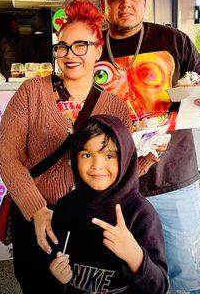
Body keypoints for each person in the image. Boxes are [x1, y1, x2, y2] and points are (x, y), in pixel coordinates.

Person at [0, 0, 133, 294]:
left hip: (91, 219)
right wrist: (37, 209)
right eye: (62, 46)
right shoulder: (32, 92)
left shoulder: (116, 107)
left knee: (83, 288)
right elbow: (7, 157)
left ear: (98, 49)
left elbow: (120, 169)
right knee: (37, 285)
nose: (69, 55)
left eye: (80, 45)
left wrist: (149, 157)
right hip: (36, 216)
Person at [95, 0, 200, 293]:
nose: (126, 4)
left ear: (144, 2)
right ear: (104, 5)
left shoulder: (173, 40)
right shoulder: (91, 49)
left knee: (184, 273)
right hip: (116, 184)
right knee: (126, 274)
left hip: (173, 177)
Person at [49, 115, 169, 293]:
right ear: (75, 158)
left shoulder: (141, 214)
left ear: (126, 158)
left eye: (109, 155)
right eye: (87, 155)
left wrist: (135, 256)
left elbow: (159, 288)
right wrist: (58, 278)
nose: (97, 165)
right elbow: (50, 267)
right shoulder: (65, 207)